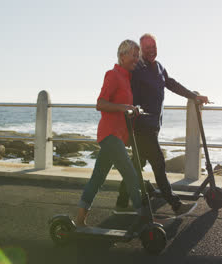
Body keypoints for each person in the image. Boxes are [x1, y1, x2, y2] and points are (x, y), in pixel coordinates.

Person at [115, 33, 210, 217]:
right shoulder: (136, 68)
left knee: (137, 163)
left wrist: (193, 95)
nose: (151, 50)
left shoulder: (159, 67)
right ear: (141, 50)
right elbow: (122, 83)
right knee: (158, 163)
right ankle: (174, 204)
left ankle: (121, 200)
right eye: (147, 48)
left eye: (154, 47)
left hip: (154, 125)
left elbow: (171, 83)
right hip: (141, 125)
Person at [75, 39, 146, 227]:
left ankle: (79, 220)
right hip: (109, 134)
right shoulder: (113, 75)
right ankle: (146, 218)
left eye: (137, 56)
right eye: (133, 55)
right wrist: (124, 107)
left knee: (97, 178)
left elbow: (123, 107)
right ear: (122, 56)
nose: (136, 59)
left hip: (117, 137)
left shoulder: (126, 78)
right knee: (131, 174)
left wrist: (132, 110)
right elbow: (100, 103)